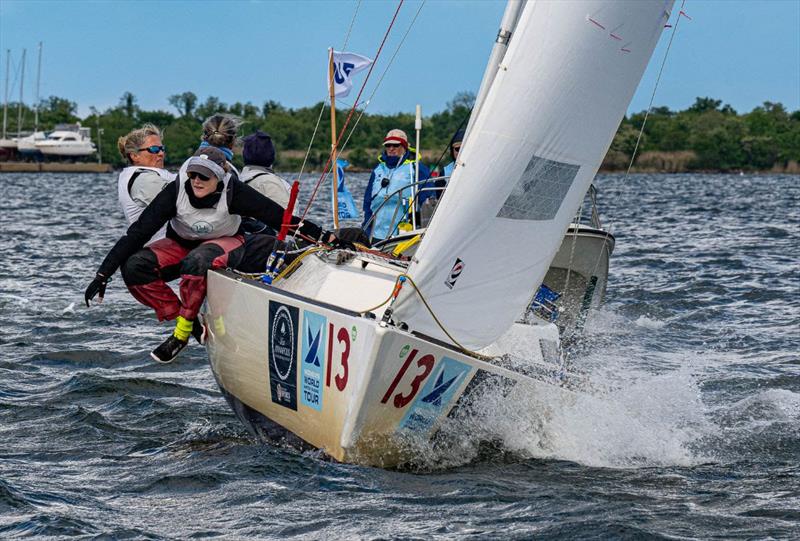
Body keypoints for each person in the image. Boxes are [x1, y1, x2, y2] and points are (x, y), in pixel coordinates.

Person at [84, 147, 334, 364]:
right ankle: (191, 323)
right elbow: (137, 233)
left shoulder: (234, 191)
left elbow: (283, 220)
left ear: (220, 177)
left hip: (225, 242)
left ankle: (180, 337)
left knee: (198, 261)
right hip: (181, 243)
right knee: (134, 267)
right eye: (192, 174)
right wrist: (103, 274)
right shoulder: (176, 191)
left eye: (204, 176)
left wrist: (327, 238)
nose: (196, 181)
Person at [362, 129, 433, 240]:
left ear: (404, 147)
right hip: (376, 233)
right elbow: (368, 200)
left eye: (395, 145)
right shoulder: (378, 169)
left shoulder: (416, 168)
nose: (391, 148)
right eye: (388, 145)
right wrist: (366, 226)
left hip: (404, 233)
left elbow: (428, 200)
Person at [116, 124, 176, 243]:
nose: (161, 153)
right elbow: (181, 203)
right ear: (134, 156)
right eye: (153, 149)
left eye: (162, 148)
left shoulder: (152, 173)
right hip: (158, 248)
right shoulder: (142, 180)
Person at [239, 130, 291, 234]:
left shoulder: (237, 179)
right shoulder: (273, 184)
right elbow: (287, 225)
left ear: (244, 155)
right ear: (272, 155)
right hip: (271, 244)